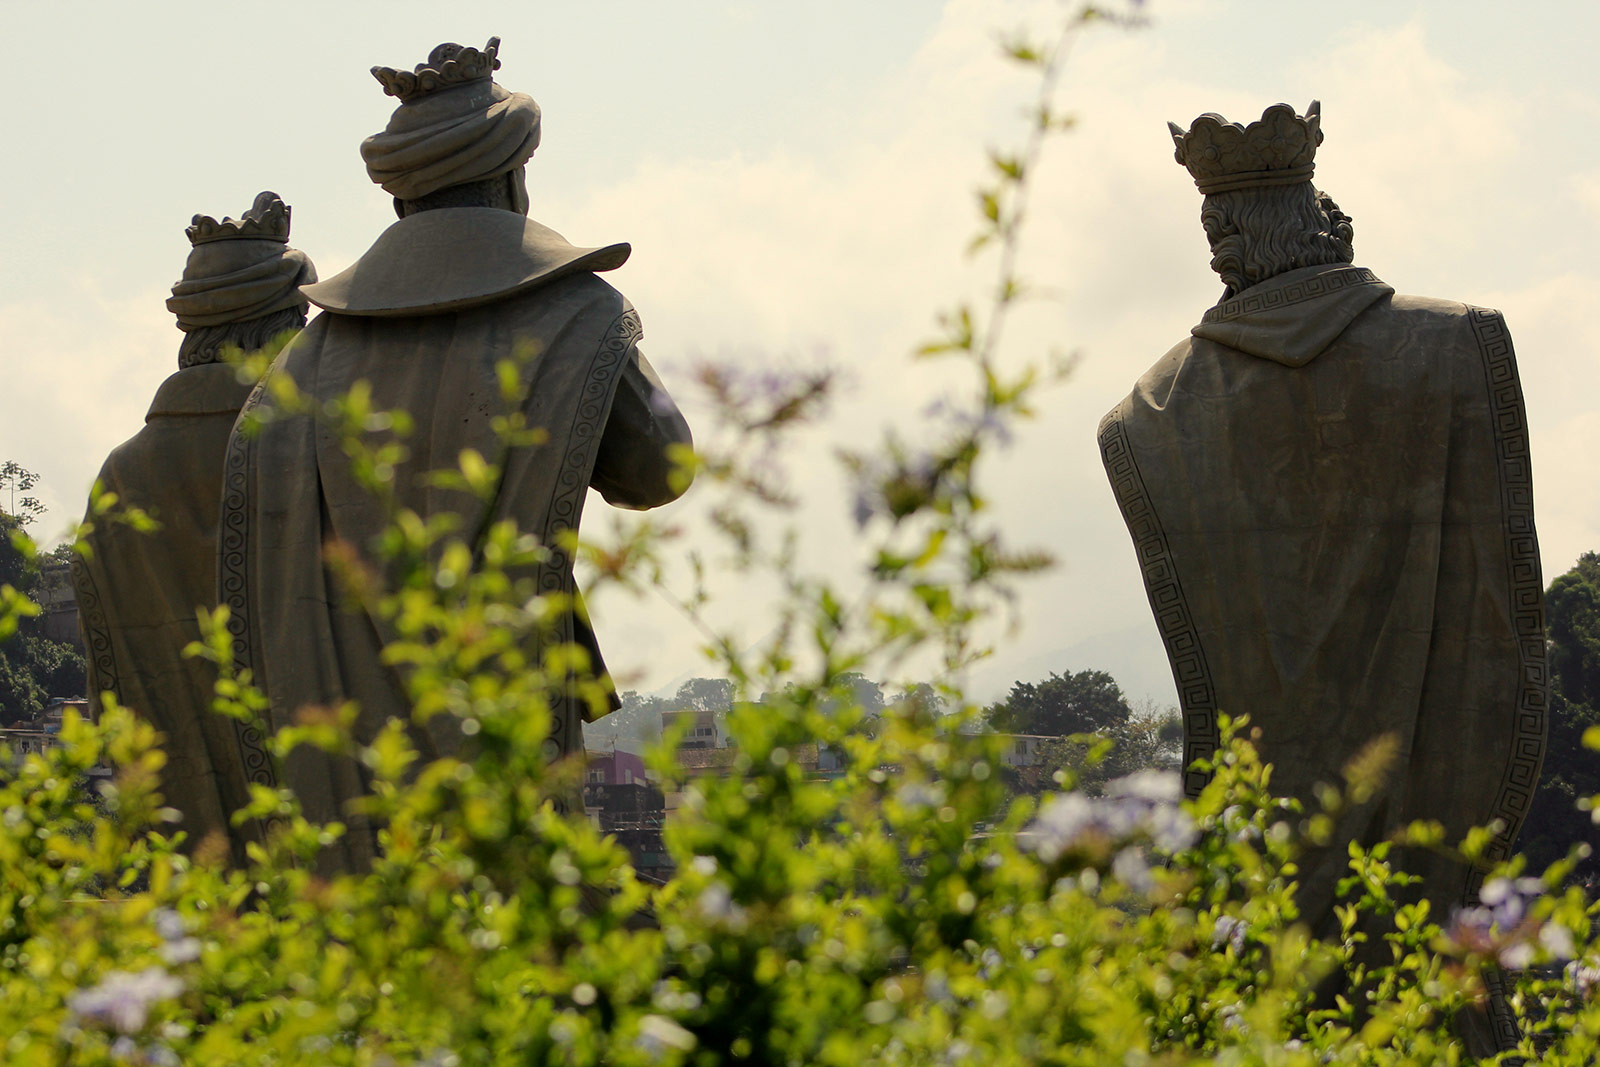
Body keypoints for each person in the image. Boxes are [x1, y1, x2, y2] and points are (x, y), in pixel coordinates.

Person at [1098, 101, 1544, 1054]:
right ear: (1324, 218)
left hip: (1275, 883)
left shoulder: (1149, 415)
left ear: (1223, 243)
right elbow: (1500, 626)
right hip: (1430, 848)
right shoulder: (1460, 346)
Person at [222, 38, 692, 870]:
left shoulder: (302, 365)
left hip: (339, 736)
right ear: (513, 180)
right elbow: (662, 467)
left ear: (402, 200)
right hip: (503, 707)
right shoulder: (579, 317)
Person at [74, 192, 316, 864]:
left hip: (183, 867)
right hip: (323, 864)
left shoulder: (119, 477)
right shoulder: (312, 455)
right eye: (300, 321)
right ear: (272, 331)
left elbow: (110, 698)